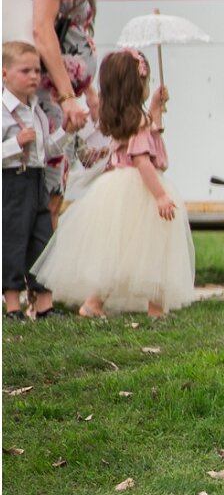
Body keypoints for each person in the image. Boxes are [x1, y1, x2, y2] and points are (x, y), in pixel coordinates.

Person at [31, 48, 195, 319]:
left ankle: (95, 303)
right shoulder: (138, 121)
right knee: (153, 247)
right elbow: (142, 160)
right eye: (146, 82)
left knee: (119, 251)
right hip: (142, 187)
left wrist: (154, 107)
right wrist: (160, 195)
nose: (148, 86)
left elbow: (147, 132)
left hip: (117, 187)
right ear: (136, 85)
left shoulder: (121, 118)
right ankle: (154, 307)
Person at [21, 0, 120, 218]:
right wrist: (66, 97)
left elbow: (71, 39)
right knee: (46, 190)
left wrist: (87, 91)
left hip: (60, 99)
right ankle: (27, 267)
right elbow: (43, 31)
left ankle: (33, 265)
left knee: (56, 187)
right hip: (44, 98)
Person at [2, 41, 64, 320]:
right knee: (14, 240)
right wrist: (15, 142)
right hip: (13, 180)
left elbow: (46, 149)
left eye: (37, 71)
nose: (33, 77)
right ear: (5, 74)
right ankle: (12, 305)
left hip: (37, 178)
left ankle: (44, 304)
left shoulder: (36, 109)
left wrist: (66, 133)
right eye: (25, 70)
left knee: (43, 238)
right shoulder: (4, 111)